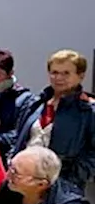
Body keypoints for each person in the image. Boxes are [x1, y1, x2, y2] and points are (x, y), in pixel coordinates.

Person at [11, 49, 95, 191]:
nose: (59, 78)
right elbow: (18, 137)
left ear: (81, 76)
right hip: (24, 181)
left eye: (66, 73)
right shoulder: (35, 104)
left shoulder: (87, 111)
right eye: (55, 72)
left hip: (62, 187)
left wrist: (73, 176)